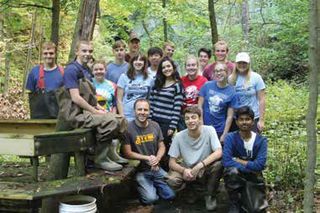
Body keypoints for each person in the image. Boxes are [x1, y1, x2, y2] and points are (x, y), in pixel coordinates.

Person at [54, 40, 127, 174]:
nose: (87, 54)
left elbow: (91, 96)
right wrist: (95, 111)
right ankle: (100, 158)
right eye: (84, 51)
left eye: (90, 51)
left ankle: (110, 153)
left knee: (120, 119)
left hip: (88, 111)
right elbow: (76, 98)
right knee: (110, 121)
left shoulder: (86, 69)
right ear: (76, 52)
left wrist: (100, 108)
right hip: (75, 114)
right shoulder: (71, 70)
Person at [166, 106, 223, 211]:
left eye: (193, 117)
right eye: (187, 118)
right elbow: (171, 162)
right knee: (172, 180)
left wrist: (200, 165)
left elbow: (219, 152)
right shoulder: (179, 136)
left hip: (204, 167)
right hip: (187, 169)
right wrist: (184, 170)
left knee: (219, 165)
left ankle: (209, 195)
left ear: (200, 119)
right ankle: (190, 190)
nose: (190, 121)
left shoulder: (209, 130)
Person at [123, 99, 175, 205]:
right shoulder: (128, 128)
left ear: (149, 111)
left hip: (156, 168)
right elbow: (127, 153)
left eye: (145, 110)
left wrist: (157, 159)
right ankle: (142, 188)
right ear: (134, 111)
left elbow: (162, 147)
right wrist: (147, 158)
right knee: (151, 199)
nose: (142, 112)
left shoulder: (155, 125)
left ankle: (152, 186)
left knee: (171, 195)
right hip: (140, 171)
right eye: (139, 109)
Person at [223, 106, 268, 213]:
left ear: (252, 122)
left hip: (254, 178)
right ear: (237, 122)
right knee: (231, 171)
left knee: (255, 210)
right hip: (237, 175)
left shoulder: (261, 141)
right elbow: (226, 161)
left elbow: (260, 165)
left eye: (247, 119)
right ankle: (234, 202)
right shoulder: (230, 137)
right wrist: (250, 166)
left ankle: (247, 199)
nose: (244, 122)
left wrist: (239, 161)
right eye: (241, 119)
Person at [149, 57, 184, 170]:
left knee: (164, 148)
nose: (166, 69)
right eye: (163, 67)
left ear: (173, 68)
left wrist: (172, 126)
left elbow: (177, 107)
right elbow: (152, 102)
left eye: (168, 66)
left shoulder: (178, 85)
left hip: (167, 123)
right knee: (152, 146)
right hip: (154, 120)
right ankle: (152, 170)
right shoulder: (157, 83)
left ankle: (164, 172)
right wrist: (149, 119)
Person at [198, 62, 236, 143]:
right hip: (205, 127)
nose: (218, 73)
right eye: (216, 71)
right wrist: (201, 124)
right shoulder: (207, 86)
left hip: (220, 129)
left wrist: (225, 134)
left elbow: (230, 116)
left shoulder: (232, 92)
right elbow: (199, 106)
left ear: (227, 72)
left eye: (221, 70)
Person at [229, 52, 266, 133]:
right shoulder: (230, 79)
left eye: (244, 63)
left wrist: (261, 120)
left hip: (252, 117)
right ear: (236, 64)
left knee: (253, 143)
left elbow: (262, 99)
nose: (242, 65)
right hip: (236, 118)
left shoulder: (256, 77)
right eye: (239, 63)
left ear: (248, 64)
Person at [26, 41, 64, 119]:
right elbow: (31, 95)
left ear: (55, 54)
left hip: (59, 117)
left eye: (51, 53)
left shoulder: (63, 72)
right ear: (42, 54)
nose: (48, 56)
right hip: (40, 117)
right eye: (45, 53)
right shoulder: (34, 72)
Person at [117, 53, 153, 121]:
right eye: (136, 60)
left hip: (142, 115)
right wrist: (122, 115)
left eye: (141, 60)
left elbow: (149, 99)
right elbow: (119, 99)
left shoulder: (149, 79)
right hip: (127, 115)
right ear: (132, 62)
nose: (138, 62)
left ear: (144, 63)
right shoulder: (124, 77)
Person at [179, 55, 207, 130]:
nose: (191, 67)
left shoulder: (204, 81)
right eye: (188, 65)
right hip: (183, 116)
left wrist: (201, 119)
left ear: (197, 66)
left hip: (197, 115)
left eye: (193, 65)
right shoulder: (181, 80)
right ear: (185, 67)